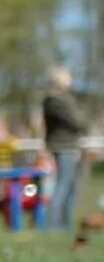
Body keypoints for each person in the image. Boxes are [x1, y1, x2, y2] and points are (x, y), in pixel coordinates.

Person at [43, 67, 87, 230]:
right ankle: (54, 226)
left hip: (70, 145)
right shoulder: (56, 101)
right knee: (63, 185)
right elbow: (76, 121)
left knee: (72, 187)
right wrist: (81, 121)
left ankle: (66, 225)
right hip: (64, 146)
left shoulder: (61, 100)